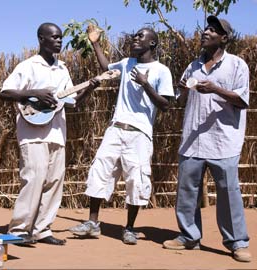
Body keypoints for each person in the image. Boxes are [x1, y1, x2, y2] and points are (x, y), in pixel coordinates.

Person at [69, 25, 174, 245]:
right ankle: (92, 223)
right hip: (116, 128)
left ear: (152, 43)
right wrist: (95, 43)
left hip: (140, 133)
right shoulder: (127, 63)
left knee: (136, 179)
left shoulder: (161, 71)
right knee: (100, 170)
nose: (135, 38)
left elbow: (165, 105)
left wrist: (146, 84)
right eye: (134, 35)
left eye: (140, 36)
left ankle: (129, 228)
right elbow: (106, 67)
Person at [0, 22, 99, 245]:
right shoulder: (28, 66)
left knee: (54, 182)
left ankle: (42, 229)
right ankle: (19, 230)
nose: (59, 41)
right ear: (41, 39)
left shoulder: (62, 69)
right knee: (33, 179)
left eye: (60, 37)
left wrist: (90, 88)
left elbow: (71, 102)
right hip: (32, 133)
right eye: (54, 37)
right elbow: (4, 92)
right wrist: (33, 93)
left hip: (56, 133)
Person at [162, 16, 252, 263]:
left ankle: (237, 243)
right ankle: (189, 237)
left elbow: (243, 100)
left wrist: (215, 89)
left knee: (228, 193)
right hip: (193, 139)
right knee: (187, 191)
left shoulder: (237, 65)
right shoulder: (192, 66)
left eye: (214, 30)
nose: (206, 32)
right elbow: (179, 100)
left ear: (224, 38)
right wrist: (181, 90)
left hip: (224, 141)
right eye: (206, 28)